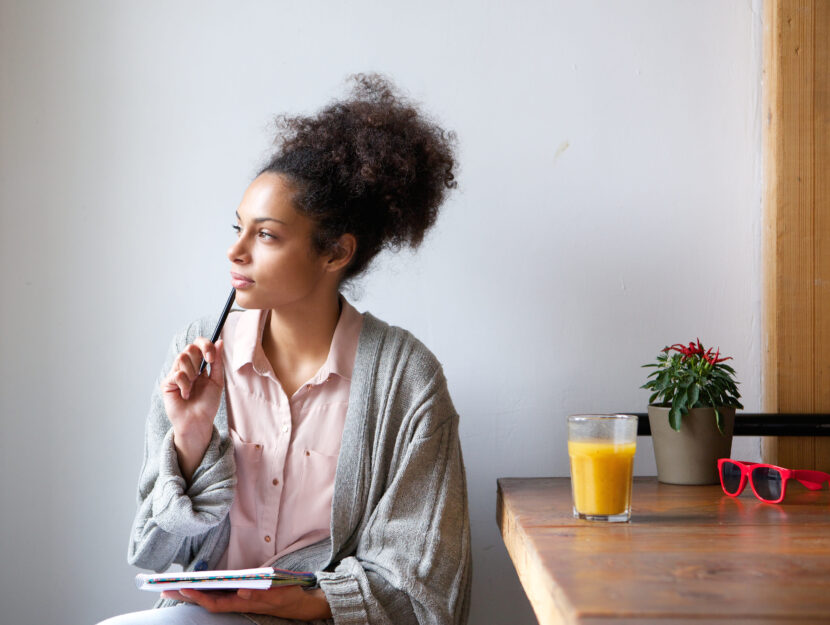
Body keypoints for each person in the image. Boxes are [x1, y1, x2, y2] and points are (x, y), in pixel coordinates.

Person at [99, 74, 471, 625]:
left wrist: (310, 602)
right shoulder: (200, 354)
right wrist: (192, 438)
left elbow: (423, 581)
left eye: (266, 235)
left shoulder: (406, 379)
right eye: (238, 228)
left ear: (335, 252)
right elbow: (154, 551)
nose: (236, 251)